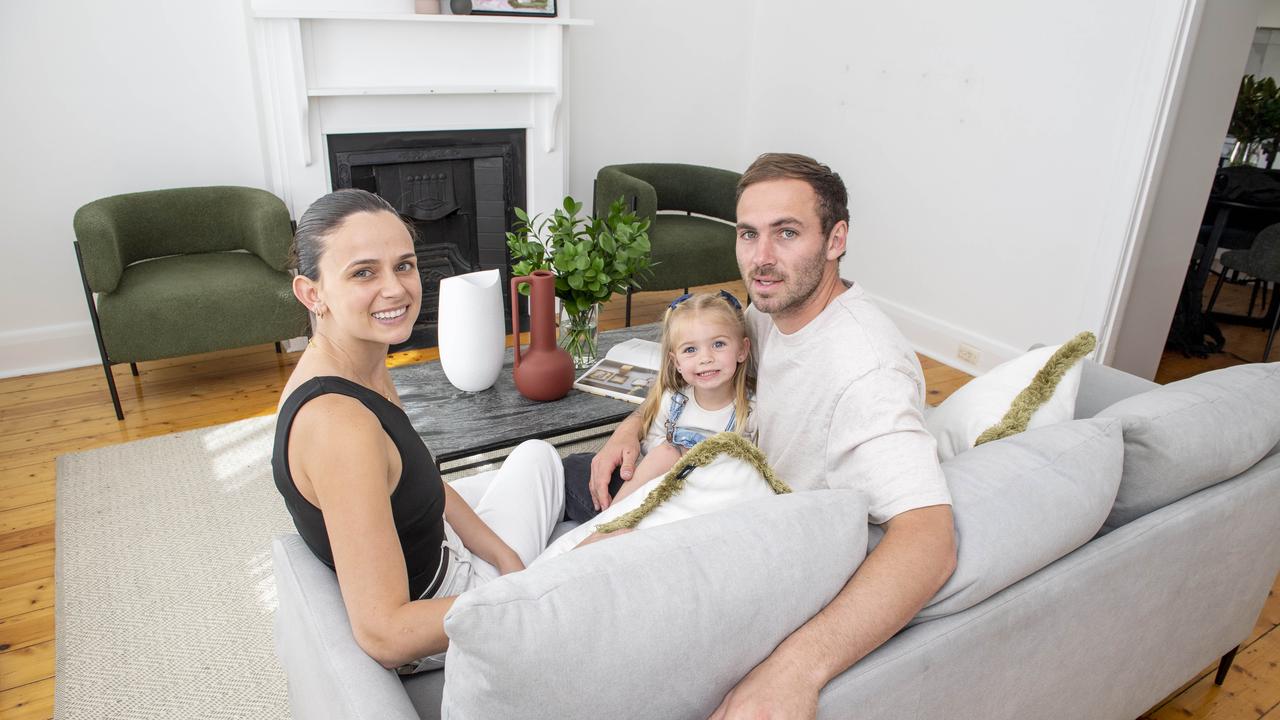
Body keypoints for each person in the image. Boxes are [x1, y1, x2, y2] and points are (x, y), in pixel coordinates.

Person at [579, 153, 958, 719]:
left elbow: (930, 539)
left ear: (836, 239)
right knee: (546, 471)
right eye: (748, 234)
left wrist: (795, 670)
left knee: (568, 578)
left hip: (748, 551)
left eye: (787, 233)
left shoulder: (867, 368)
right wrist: (628, 429)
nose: (761, 258)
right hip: (709, 491)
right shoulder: (770, 315)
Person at [271, 188, 564, 674]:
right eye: (364, 272)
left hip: (450, 556)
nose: (396, 289)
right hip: (440, 618)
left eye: (403, 265)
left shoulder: (361, 362)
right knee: (612, 559)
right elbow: (386, 633)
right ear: (311, 293)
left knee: (539, 455)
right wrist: (519, 598)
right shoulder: (340, 426)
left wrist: (507, 559)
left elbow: (423, 478)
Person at [567, 289, 757, 550]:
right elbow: (652, 445)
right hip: (661, 492)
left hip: (702, 503)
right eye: (691, 349)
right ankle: (613, 521)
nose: (705, 358)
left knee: (671, 454)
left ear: (742, 350)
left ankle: (607, 526)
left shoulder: (750, 410)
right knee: (657, 453)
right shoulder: (674, 400)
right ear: (675, 362)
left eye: (719, 344)